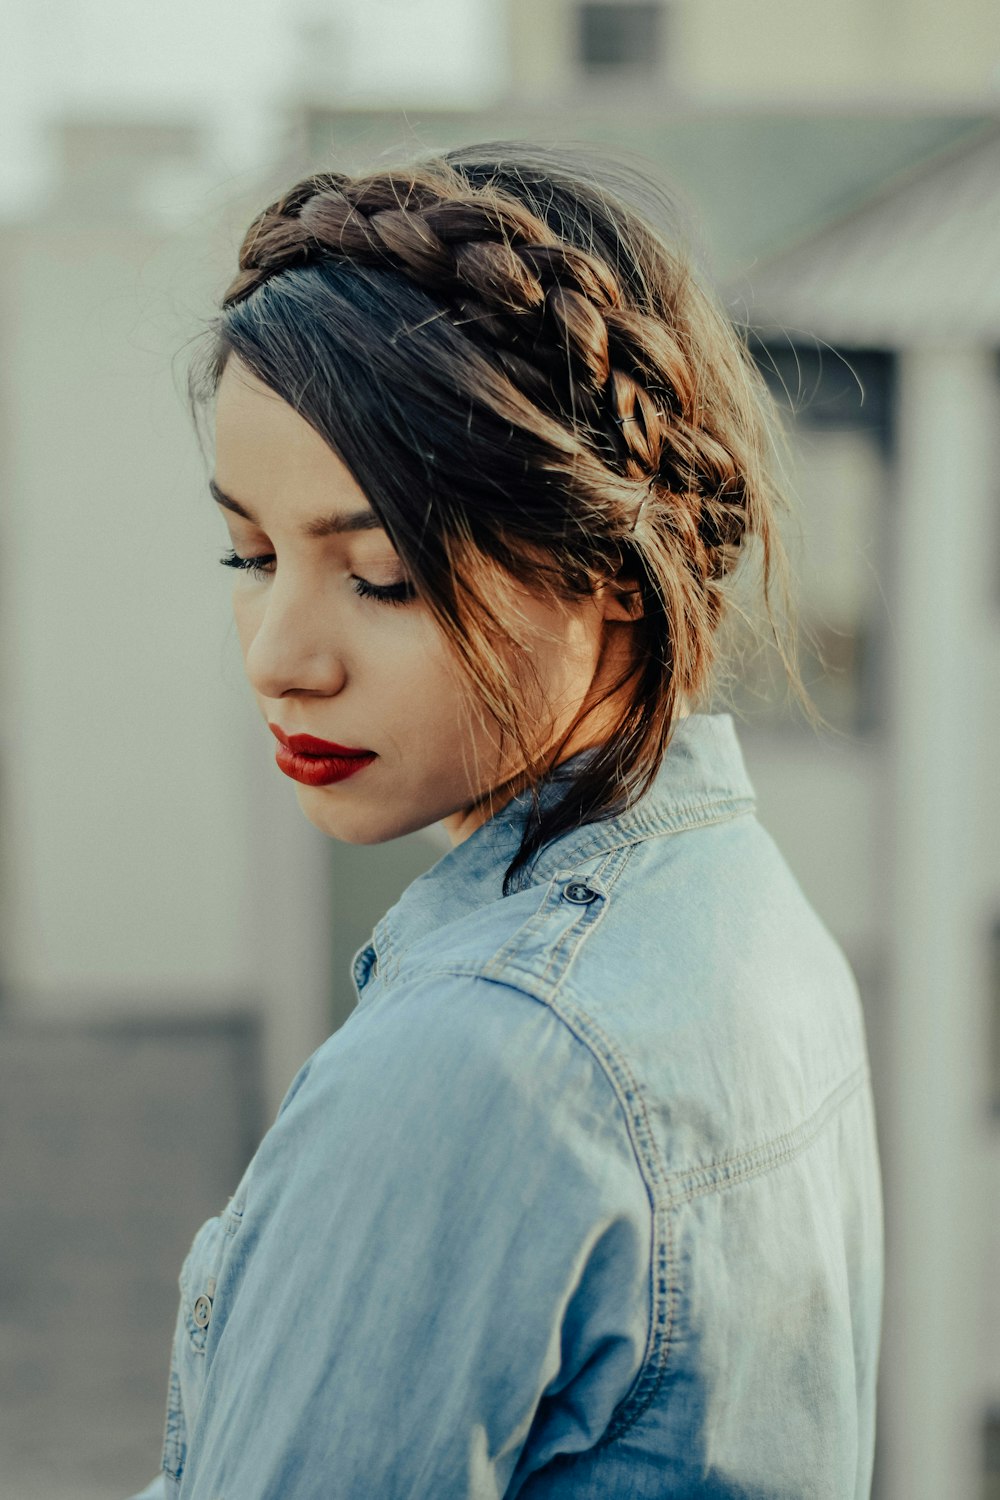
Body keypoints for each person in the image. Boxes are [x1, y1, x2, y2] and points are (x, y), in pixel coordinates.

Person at [128, 142, 883, 1499]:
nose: (280, 655)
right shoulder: (737, 902)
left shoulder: (489, 1059)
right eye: (250, 554)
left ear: (609, 566)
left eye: (383, 575)